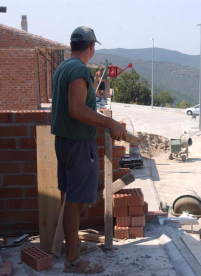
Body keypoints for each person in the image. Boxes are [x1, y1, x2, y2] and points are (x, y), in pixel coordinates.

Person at [51, 26, 126, 274]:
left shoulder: (62, 67)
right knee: (75, 202)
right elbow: (76, 109)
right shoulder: (79, 69)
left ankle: (74, 245)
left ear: (73, 45)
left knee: (71, 198)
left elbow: (72, 107)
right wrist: (109, 123)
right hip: (77, 144)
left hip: (64, 141)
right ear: (92, 47)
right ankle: (72, 261)